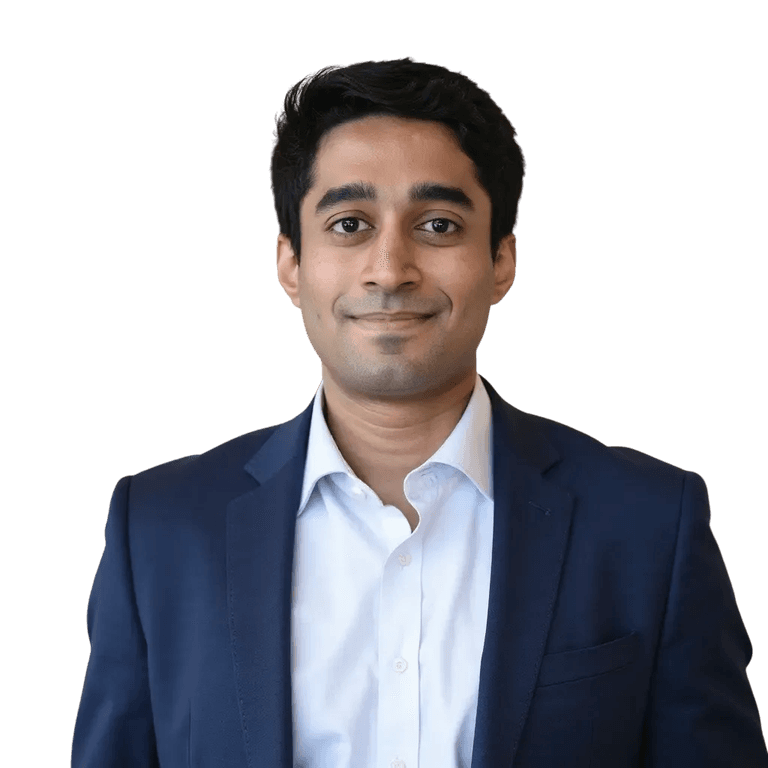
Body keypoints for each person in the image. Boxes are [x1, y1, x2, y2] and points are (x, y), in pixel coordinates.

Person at [70, 56, 768, 767]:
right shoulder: (159, 530)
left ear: (501, 261)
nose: (390, 269)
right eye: (349, 223)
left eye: (438, 224)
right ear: (290, 264)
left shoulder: (649, 525)